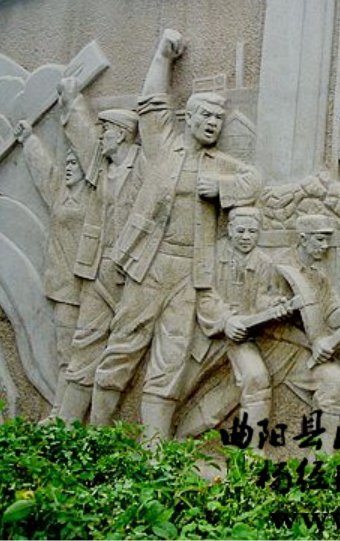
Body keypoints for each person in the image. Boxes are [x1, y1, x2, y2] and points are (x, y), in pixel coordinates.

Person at [89, 29, 261, 442]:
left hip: (190, 274)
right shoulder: (162, 147)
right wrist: (162, 57)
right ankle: (94, 435)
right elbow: (151, 103)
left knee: (171, 356)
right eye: (207, 117)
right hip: (150, 265)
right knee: (124, 344)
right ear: (191, 118)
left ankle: (154, 449)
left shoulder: (220, 165)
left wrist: (220, 188)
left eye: (219, 120)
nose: (214, 125)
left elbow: (254, 181)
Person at [53, 76, 145, 423]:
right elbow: (83, 138)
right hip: (97, 269)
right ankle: (66, 423)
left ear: (120, 134)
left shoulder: (144, 168)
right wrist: (71, 100)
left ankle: (102, 429)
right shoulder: (103, 168)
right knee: (85, 341)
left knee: (121, 350)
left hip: (130, 275)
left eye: (105, 131)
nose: (101, 136)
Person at [272, 214, 340, 452]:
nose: (326, 245)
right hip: (277, 348)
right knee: (333, 380)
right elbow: (266, 319)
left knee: (336, 382)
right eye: (320, 239)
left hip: (304, 351)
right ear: (303, 239)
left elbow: (332, 316)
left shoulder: (318, 276)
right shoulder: (278, 268)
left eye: (327, 239)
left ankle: (322, 459)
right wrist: (312, 343)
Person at [196, 207, 296, 435]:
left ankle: (251, 449)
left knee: (255, 379)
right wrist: (226, 320)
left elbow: (260, 298)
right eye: (241, 231)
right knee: (181, 387)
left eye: (252, 232)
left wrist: (273, 304)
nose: (246, 237)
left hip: (245, 336)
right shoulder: (212, 256)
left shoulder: (263, 262)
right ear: (230, 230)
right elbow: (203, 296)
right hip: (213, 332)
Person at [13, 120, 89, 418]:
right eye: (67, 162)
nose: (69, 167)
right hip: (63, 285)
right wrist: (29, 140)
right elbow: (44, 171)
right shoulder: (60, 192)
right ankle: (60, 409)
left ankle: (69, 411)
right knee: (65, 350)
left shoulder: (96, 198)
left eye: (75, 163)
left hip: (90, 285)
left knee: (81, 350)